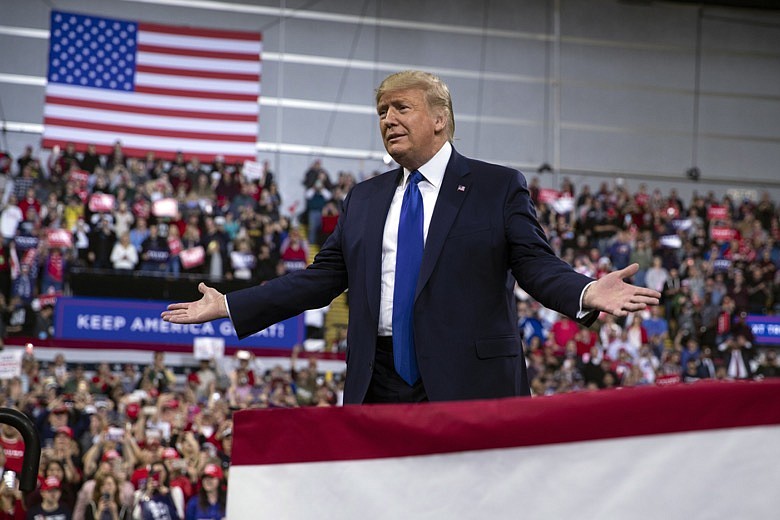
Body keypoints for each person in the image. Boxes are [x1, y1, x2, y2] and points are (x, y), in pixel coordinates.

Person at [162, 70, 660, 404]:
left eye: (401, 108)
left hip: (468, 380)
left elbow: (534, 263)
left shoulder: (497, 186)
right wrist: (233, 306)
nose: (388, 120)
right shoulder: (363, 198)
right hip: (376, 380)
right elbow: (319, 281)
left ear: (440, 120)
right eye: (381, 112)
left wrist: (587, 290)